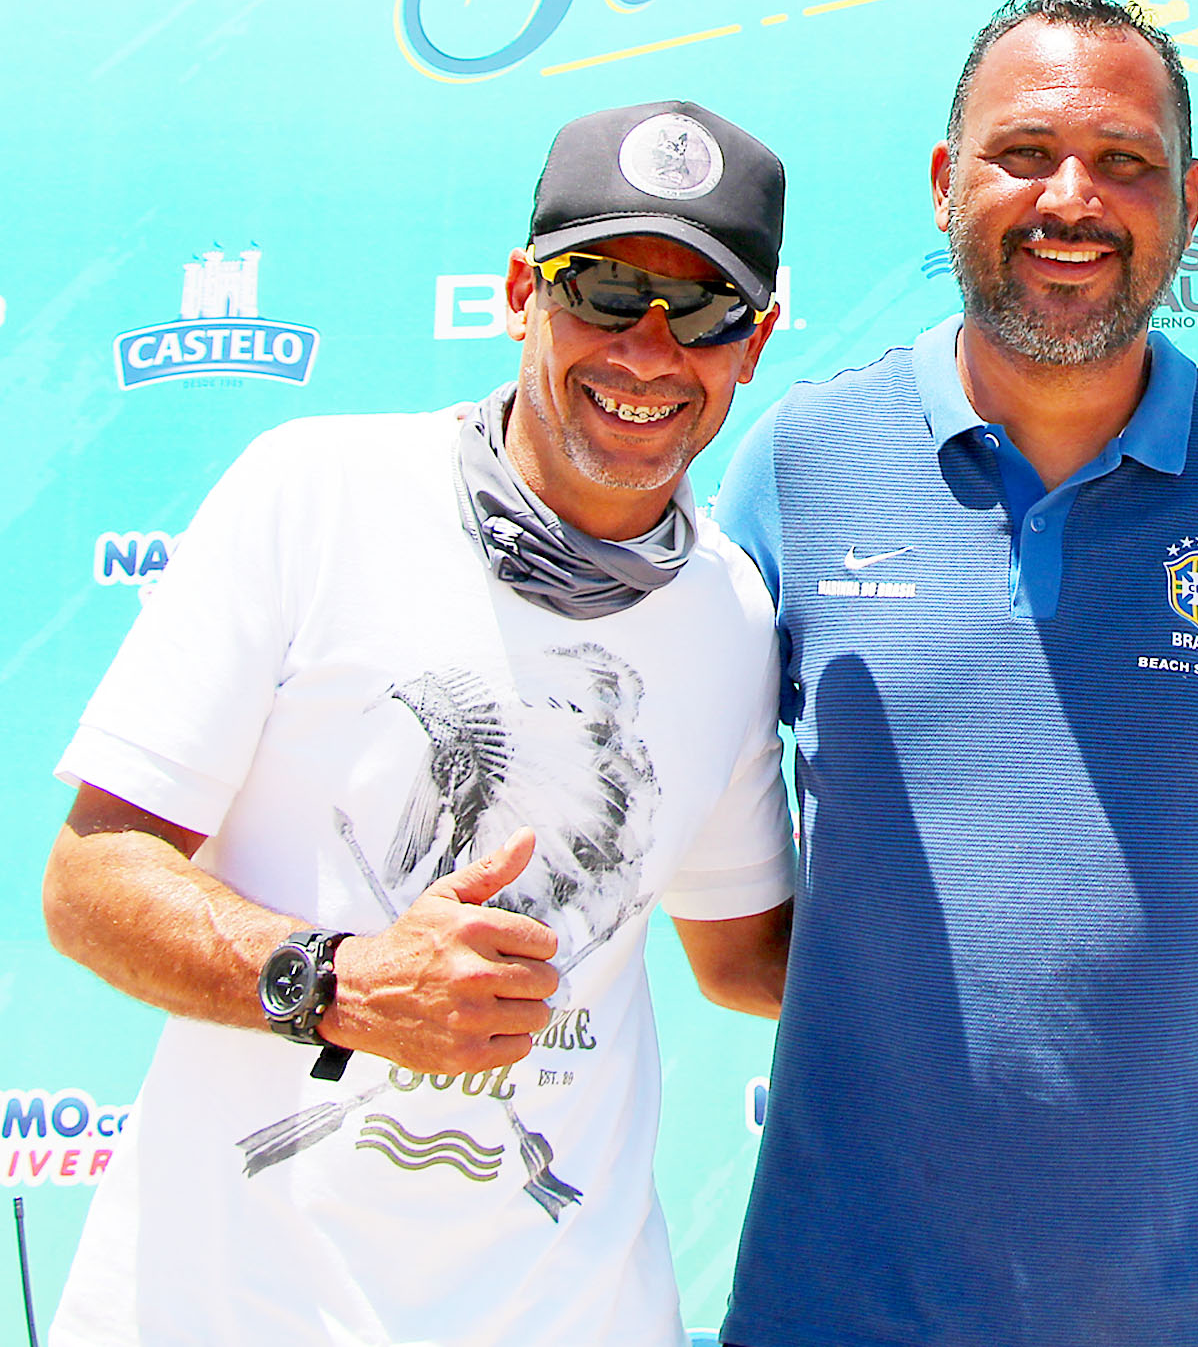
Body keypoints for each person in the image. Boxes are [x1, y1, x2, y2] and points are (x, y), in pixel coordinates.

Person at [41, 100, 797, 1347]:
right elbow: (91, 879)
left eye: (704, 309)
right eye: (606, 290)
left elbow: (746, 958)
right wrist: (337, 983)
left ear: (753, 345)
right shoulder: (316, 493)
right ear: (521, 294)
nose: (649, 349)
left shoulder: (730, 612)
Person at [711, 0, 1198, 1347]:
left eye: (1124, 161)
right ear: (944, 180)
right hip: (844, 1314)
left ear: (1189, 199)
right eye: (1023, 153)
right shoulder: (798, 464)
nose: (1071, 198)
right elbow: (724, 924)